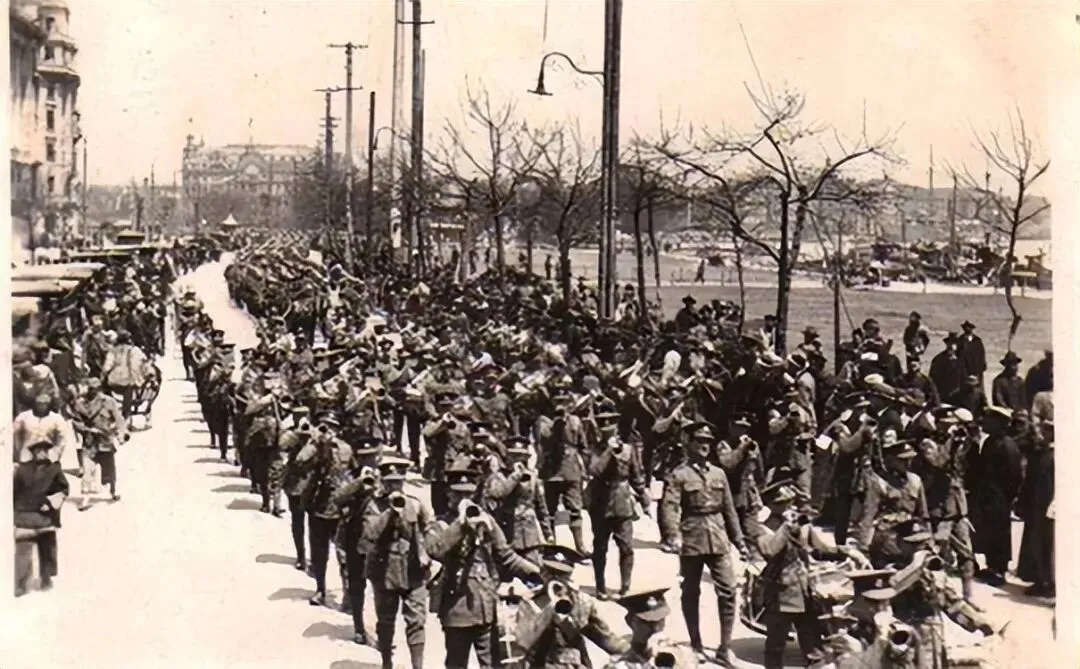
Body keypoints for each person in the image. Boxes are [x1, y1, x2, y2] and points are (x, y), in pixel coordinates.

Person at [428, 468, 542, 669]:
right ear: (448, 494)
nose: (464, 499)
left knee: (491, 663)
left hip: (485, 607)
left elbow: (506, 555)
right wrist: (461, 524)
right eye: (458, 494)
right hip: (457, 610)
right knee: (456, 664)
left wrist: (535, 573)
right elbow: (435, 550)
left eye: (468, 494)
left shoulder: (487, 521)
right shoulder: (441, 524)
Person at [659, 422, 747, 666]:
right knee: (691, 591)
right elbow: (670, 507)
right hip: (692, 538)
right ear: (689, 443)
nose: (705, 445)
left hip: (718, 537)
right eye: (699, 440)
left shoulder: (718, 474)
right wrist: (673, 535)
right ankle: (695, 643)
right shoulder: (679, 474)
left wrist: (739, 541)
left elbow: (729, 509)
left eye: (708, 441)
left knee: (728, 590)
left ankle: (725, 647)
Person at [366, 456, 434, 669]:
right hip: (385, 569)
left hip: (413, 569)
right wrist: (390, 512)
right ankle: (386, 662)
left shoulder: (415, 503)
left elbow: (430, 529)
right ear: (383, 483)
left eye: (398, 482)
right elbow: (370, 533)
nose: (394, 487)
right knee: (386, 620)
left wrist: (426, 551)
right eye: (390, 482)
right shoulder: (374, 504)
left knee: (417, 621)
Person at [514, 544, 628, 669]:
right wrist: (547, 614)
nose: (555, 580)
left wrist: (632, 653)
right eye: (550, 574)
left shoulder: (582, 602)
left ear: (569, 575)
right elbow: (521, 643)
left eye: (562, 575)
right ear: (543, 573)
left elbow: (604, 638)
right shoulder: (529, 601)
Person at [587, 424, 651, 599]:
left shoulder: (628, 450)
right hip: (600, 504)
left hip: (622, 502)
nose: (607, 429)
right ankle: (600, 587)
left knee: (626, 547)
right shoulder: (596, 450)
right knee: (600, 547)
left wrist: (643, 497)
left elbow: (636, 475)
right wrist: (609, 450)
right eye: (603, 424)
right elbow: (595, 471)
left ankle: (625, 587)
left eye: (611, 425)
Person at [14, 439, 70, 596]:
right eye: (39, 451)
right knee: (24, 549)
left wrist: (51, 503)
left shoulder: (54, 469)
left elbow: (64, 489)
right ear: (33, 453)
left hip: (43, 515)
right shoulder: (22, 470)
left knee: (46, 548)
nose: (42, 453)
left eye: (45, 450)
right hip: (26, 515)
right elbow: (14, 492)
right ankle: (21, 583)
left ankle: (45, 578)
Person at [69, 378, 128, 510]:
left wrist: (120, 433)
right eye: (90, 388)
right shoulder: (81, 404)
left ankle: (113, 491)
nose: (92, 391)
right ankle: (85, 499)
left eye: (94, 389)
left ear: (99, 389)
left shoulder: (108, 402)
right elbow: (76, 422)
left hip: (105, 441)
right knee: (87, 470)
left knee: (109, 469)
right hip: (90, 442)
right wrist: (86, 429)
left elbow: (119, 419)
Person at [604, 588, 694, 669]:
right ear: (631, 621)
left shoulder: (678, 652)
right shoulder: (621, 661)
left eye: (660, 621)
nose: (656, 628)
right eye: (648, 623)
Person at [1017, 420, 1054, 597]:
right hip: (1036, 505)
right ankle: (1041, 580)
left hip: (1047, 507)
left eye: (1047, 430)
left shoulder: (1054, 455)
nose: (1042, 434)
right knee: (1037, 544)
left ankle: (1048, 583)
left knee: (1047, 546)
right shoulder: (1040, 454)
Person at [13, 392, 73, 464]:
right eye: (39, 403)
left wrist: (55, 454)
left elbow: (61, 439)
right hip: (26, 456)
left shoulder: (57, 419)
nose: (42, 406)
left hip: (49, 456)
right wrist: (18, 452)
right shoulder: (23, 417)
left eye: (45, 403)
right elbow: (15, 435)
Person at [956, 320, 987, 387]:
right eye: (965, 328)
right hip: (964, 370)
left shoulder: (977, 341)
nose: (967, 329)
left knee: (977, 388)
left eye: (969, 328)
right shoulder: (960, 340)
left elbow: (982, 354)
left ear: (972, 329)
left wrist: (981, 366)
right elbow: (957, 355)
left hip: (976, 368)